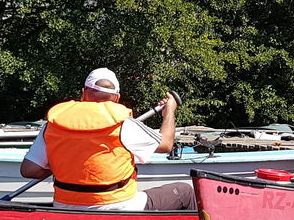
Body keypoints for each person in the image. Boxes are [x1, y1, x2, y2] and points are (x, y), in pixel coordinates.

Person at [19, 67, 193, 210]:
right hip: (118, 205)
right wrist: (169, 111)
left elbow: (29, 170)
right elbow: (166, 144)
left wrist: (66, 166)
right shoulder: (124, 124)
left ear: (83, 93)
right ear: (116, 98)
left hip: (65, 206)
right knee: (184, 192)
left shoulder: (54, 123)